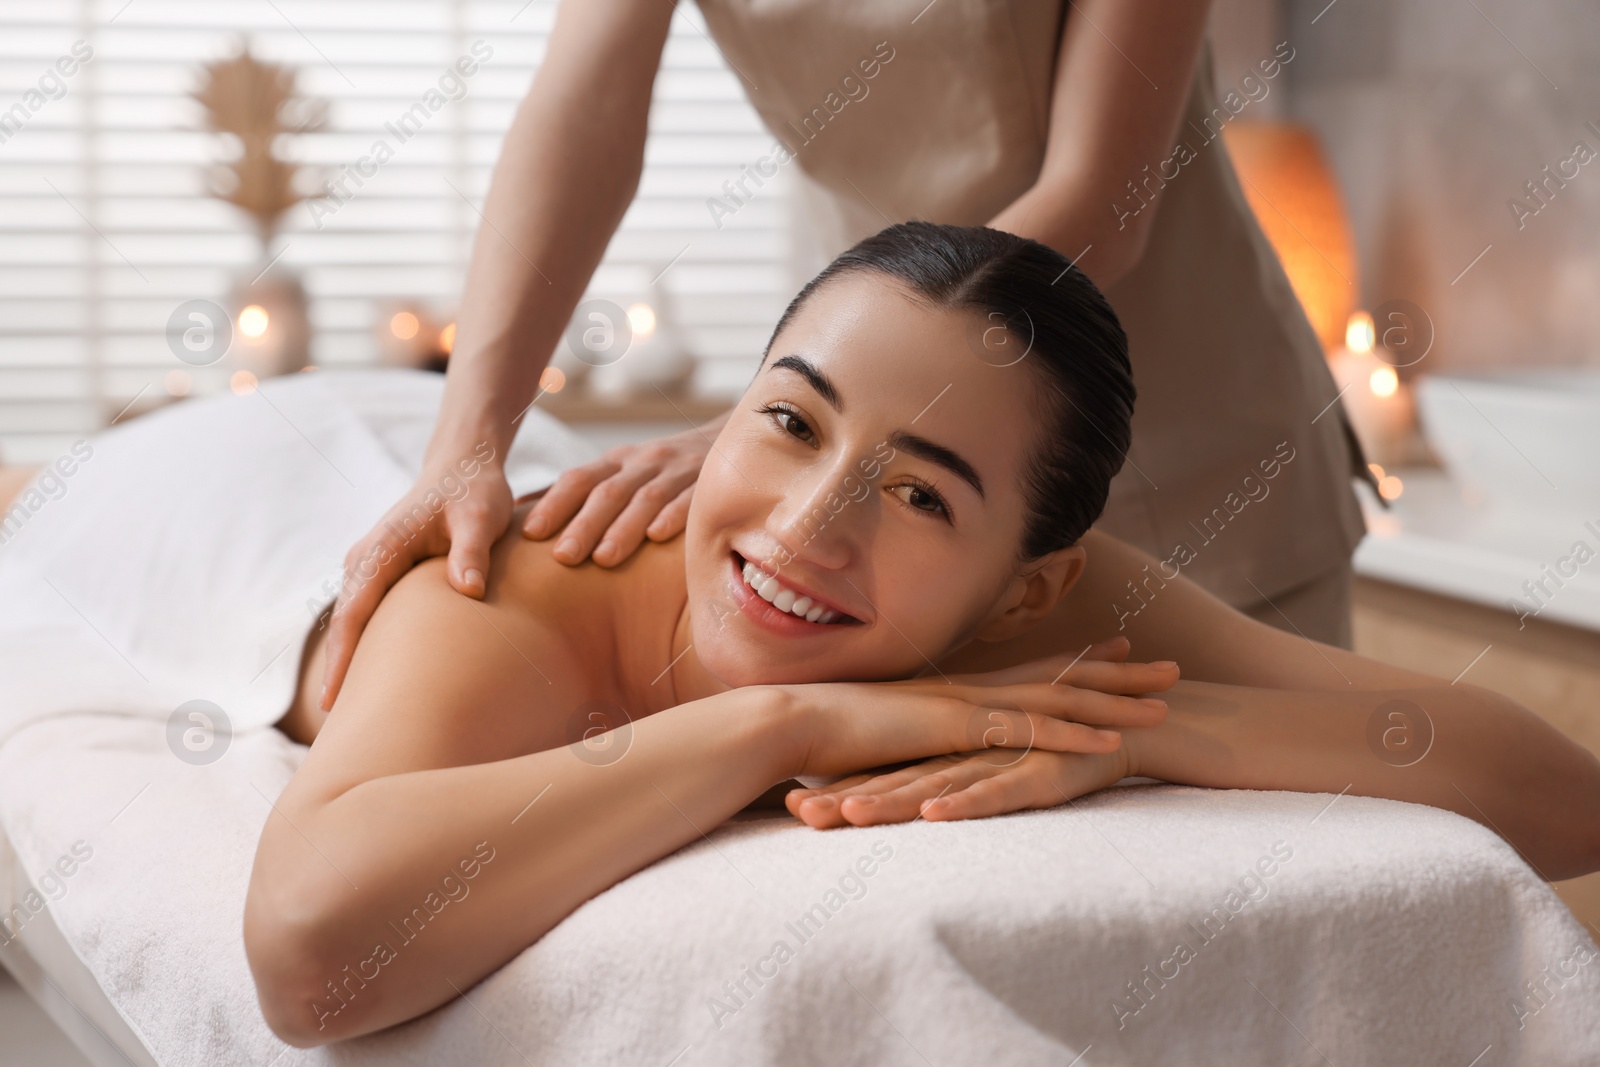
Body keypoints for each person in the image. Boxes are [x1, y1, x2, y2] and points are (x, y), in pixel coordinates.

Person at [215, 224, 1595, 1046]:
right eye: (789, 418)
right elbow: (306, 954)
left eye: (925, 489)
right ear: (720, 419)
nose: (814, 525)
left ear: (1028, 588)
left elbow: (1560, 794)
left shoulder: (1058, 595)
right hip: (259, 477)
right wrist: (790, 719)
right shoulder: (506, 588)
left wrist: (1125, 729)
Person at [319, 0, 1370, 713]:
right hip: (893, 499)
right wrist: (466, 446)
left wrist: (799, 421)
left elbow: (1104, 193)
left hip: (1199, 447)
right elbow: (584, 102)